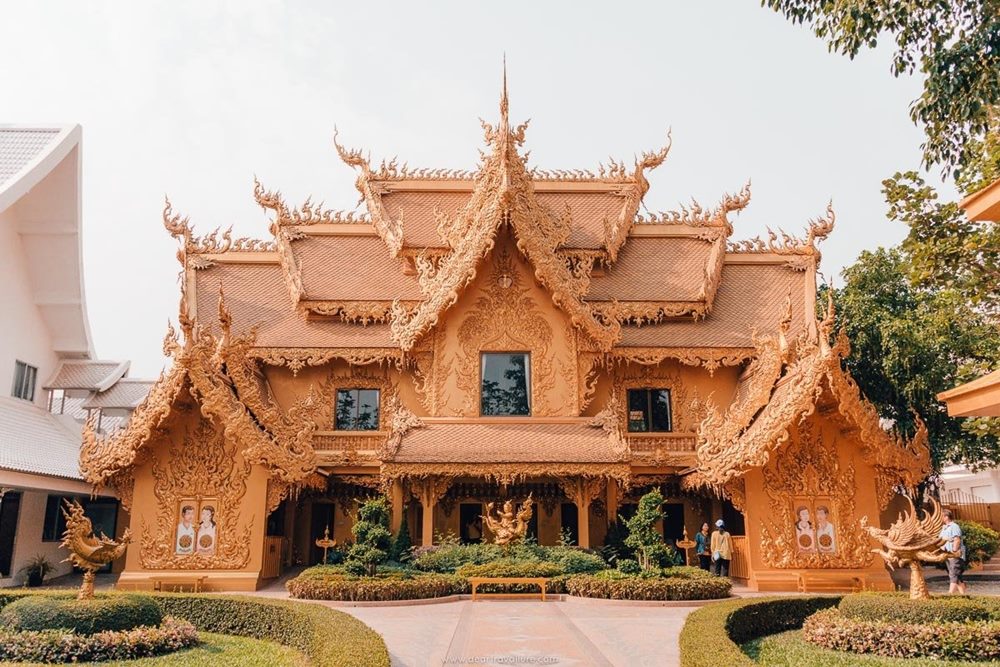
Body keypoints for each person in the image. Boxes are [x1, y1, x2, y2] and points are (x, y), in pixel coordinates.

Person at [939, 509, 967, 594]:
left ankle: (950, 595)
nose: (940, 518)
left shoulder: (954, 526)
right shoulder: (944, 528)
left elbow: (957, 539)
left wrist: (954, 552)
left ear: (946, 517)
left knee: (953, 574)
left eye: (942, 516)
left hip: (954, 554)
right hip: (947, 554)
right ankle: (964, 596)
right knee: (957, 576)